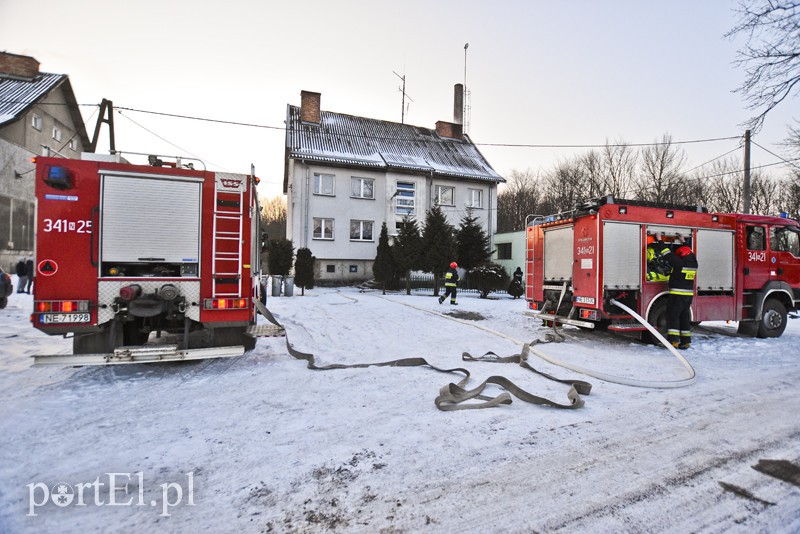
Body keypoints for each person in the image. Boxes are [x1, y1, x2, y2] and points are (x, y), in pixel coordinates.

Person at [654, 235, 698, 349]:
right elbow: (688, 251)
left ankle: (673, 341)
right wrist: (683, 241)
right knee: (684, 317)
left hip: (677, 295)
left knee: (673, 316)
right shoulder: (693, 263)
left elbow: (667, 254)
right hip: (688, 296)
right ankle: (686, 341)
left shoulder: (679, 264)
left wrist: (659, 240)